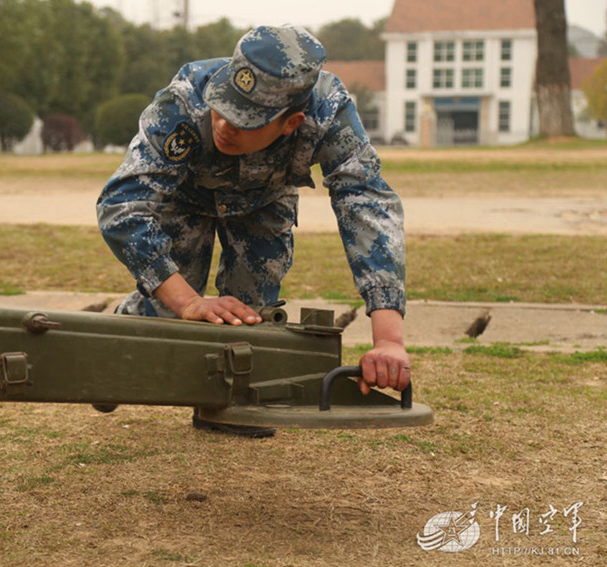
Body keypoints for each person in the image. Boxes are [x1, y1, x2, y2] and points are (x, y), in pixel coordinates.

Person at [97, 25, 410, 437]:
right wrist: (189, 302)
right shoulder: (185, 99)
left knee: (247, 316)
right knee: (167, 312)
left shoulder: (328, 112)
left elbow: (367, 207)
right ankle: (113, 348)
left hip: (263, 202)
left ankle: (223, 402)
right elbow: (121, 205)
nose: (225, 125)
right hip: (182, 198)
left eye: (246, 121)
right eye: (223, 107)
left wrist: (389, 338)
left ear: (291, 122)